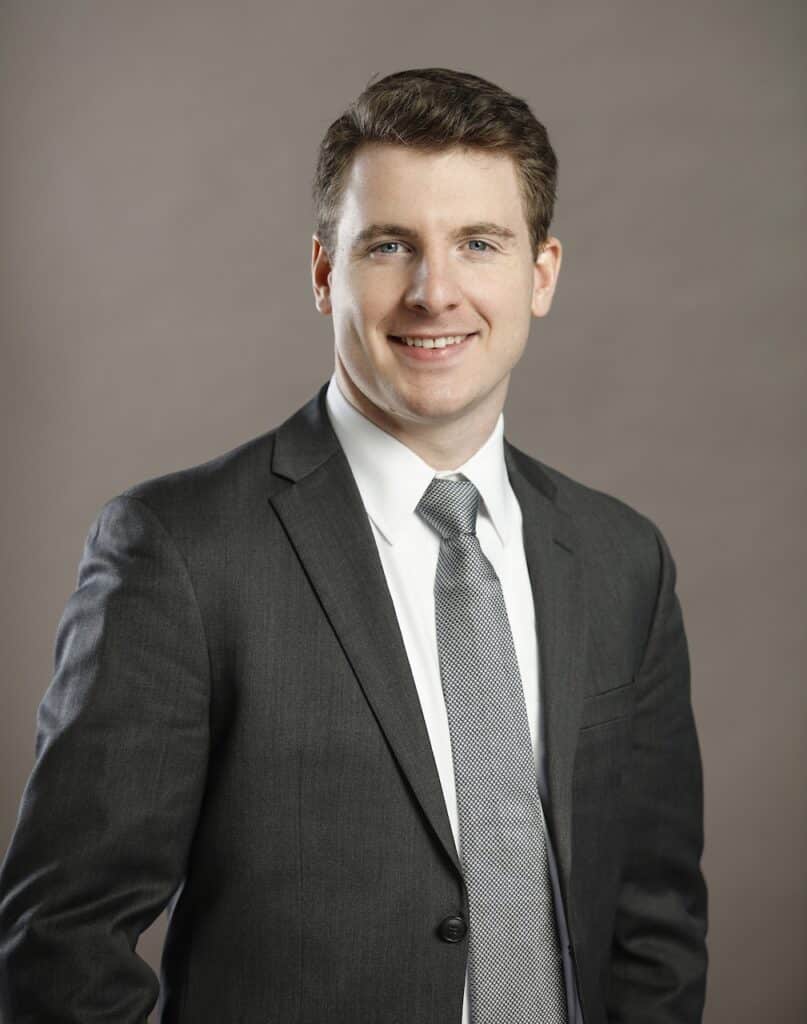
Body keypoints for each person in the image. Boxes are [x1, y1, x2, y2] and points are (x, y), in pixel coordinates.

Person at [0, 67, 707, 1023]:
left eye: (478, 244)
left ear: (539, 276)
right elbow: (61, 940)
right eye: (388, 246)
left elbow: (651, 922)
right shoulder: (178, 551)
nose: (433, 291)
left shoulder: (623, 558)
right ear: (325, 270)